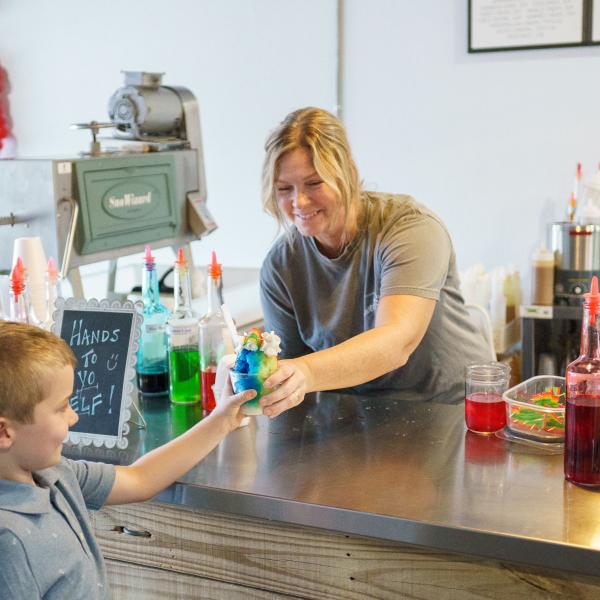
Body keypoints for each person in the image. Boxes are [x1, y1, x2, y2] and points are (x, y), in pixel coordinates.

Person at [258, 107, 490, 417]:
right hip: (357, 417)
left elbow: (396, 342)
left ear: (349, 175)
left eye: (314, 183)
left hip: (449, 413)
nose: (298, 202)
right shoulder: (281, 266)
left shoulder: (409, 229)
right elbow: (287, 379)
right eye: (284, 189)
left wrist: (305, 372)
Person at [0, 321, 255, 600]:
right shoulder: (8, 543)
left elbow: (140, 478)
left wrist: (223, 419)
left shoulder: (55, 473)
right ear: (4, 432)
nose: (74, 417)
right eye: (62, 407)